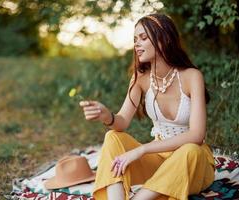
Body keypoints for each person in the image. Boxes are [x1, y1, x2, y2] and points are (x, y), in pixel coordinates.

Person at [79, 13, 215, 200]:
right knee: (112, 137)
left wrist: (142, 149)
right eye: (135, 39)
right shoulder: (140, 78)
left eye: (143, 38)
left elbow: (197, 136)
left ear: (163, 40)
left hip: (191, 164)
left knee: (190, 149)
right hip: (159, 162)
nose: (136, 44)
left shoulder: (192, 76)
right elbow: (122, 122)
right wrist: (106, 115)